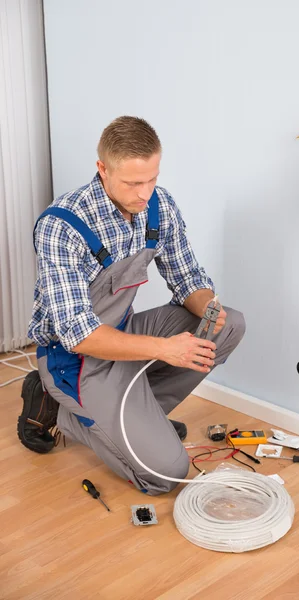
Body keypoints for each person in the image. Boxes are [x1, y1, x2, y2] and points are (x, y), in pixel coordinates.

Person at [18, 116, 246, 495]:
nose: (146, 193)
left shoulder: (158, 205)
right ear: (102, 170)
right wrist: (165, 349)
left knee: (231, 325)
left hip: (124, 335)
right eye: (134, 183)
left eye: (153, 178)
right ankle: (64, 413)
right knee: (166, 474)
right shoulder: (61, 227)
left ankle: (140, 421)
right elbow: (80, 336)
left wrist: (208, 305)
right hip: (75, 360)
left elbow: (187, 278)